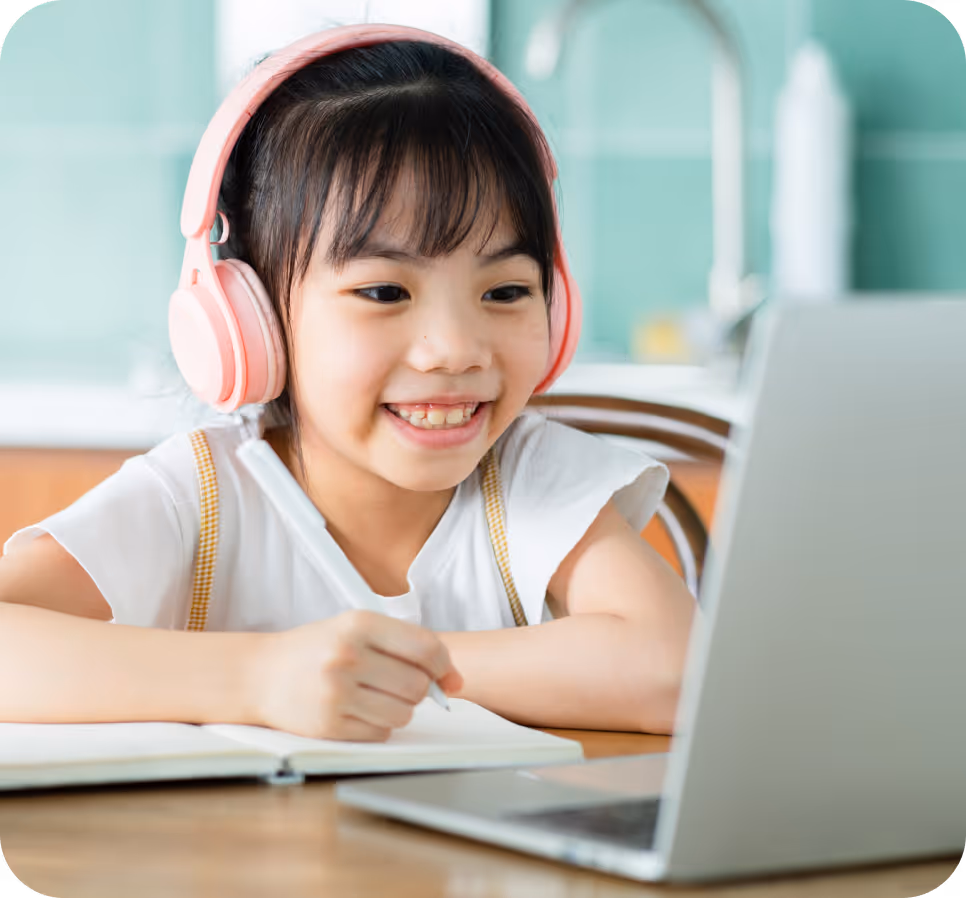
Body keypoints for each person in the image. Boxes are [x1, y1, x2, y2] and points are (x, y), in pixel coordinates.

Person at [0, 26, 695, 742]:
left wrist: (377, 669)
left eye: (507, 291)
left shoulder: (526, 477)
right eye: (387, 292)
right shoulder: (200, 495)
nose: (455, 350)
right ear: (251, 317)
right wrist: (259, 677)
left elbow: (674, 670)